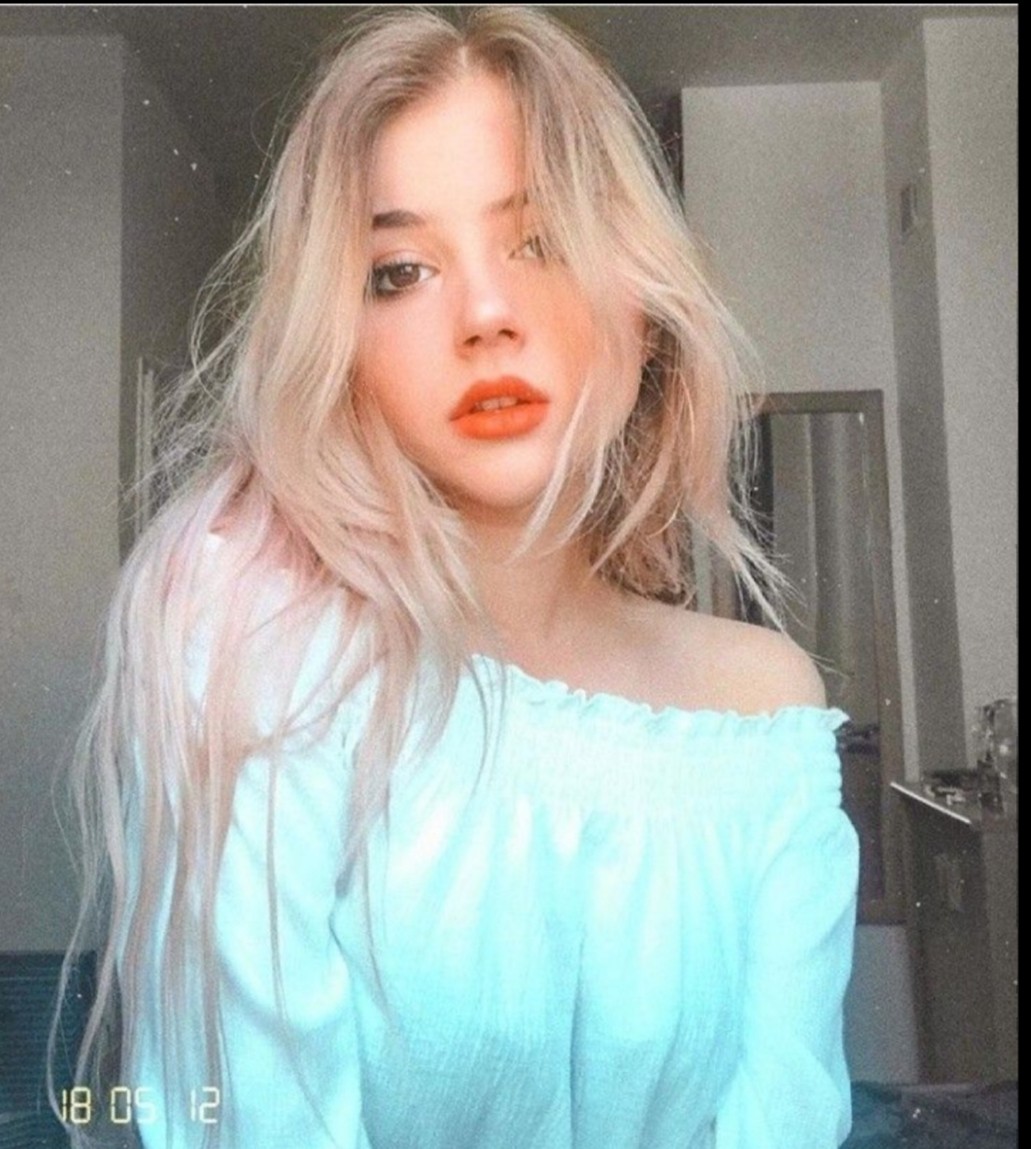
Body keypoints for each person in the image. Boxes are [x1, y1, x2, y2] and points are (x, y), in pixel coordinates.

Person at [57, 6, 859, 1148]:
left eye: (539, 241)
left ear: (640, 307)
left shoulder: (761, 713)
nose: (484, 317)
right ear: (340, 344)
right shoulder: (267, 662)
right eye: (400, 271)